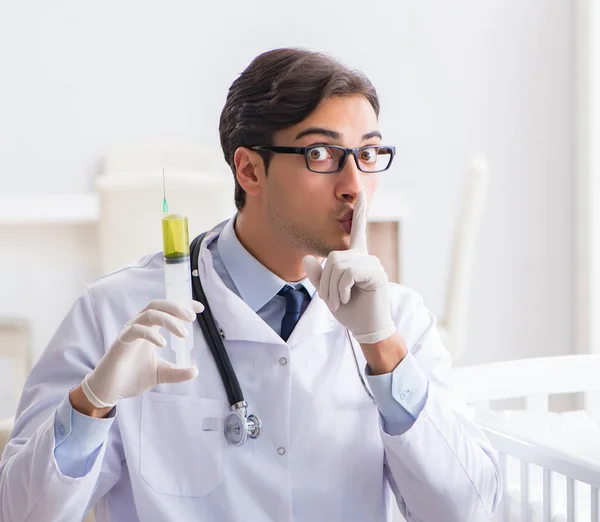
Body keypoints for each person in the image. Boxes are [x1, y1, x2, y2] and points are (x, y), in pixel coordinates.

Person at [0, 48, 501, 522]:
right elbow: (21, 511)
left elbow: (469, 509)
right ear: (249, 169)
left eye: (368, 154)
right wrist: (91, 403)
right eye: (322, 154)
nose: (354, 184)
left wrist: (382, 349)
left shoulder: (399, 323)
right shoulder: (113, 313)